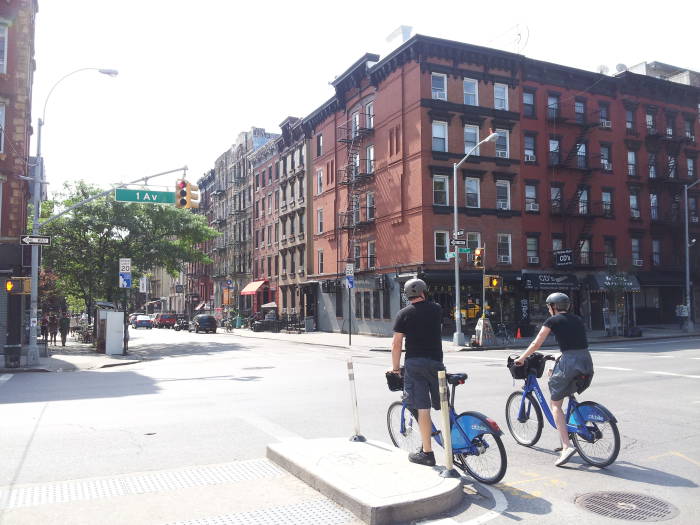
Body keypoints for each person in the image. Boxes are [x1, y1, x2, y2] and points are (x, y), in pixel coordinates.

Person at [514, 292, 593, 467]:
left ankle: (566, 446)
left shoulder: (553, 321)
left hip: (570, 363)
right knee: (561, 382)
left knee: (555, 405)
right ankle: (567, 432)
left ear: (553, 307)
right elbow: (575, 344)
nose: (549, 310)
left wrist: (521, 358)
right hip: (586, 361)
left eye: (549, 307)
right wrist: (559, 356)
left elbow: (536, 343)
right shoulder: (577, 319)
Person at [388, 278, 444, 467]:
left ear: (407, 295)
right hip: (437, 363)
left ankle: (427, 453)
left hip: (415, 365)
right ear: (424, 291)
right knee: (444, 406)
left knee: (423, 409)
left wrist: (396, 369)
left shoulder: (403, 314)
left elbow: (396, 344)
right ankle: (455, 445)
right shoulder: (436, 309)